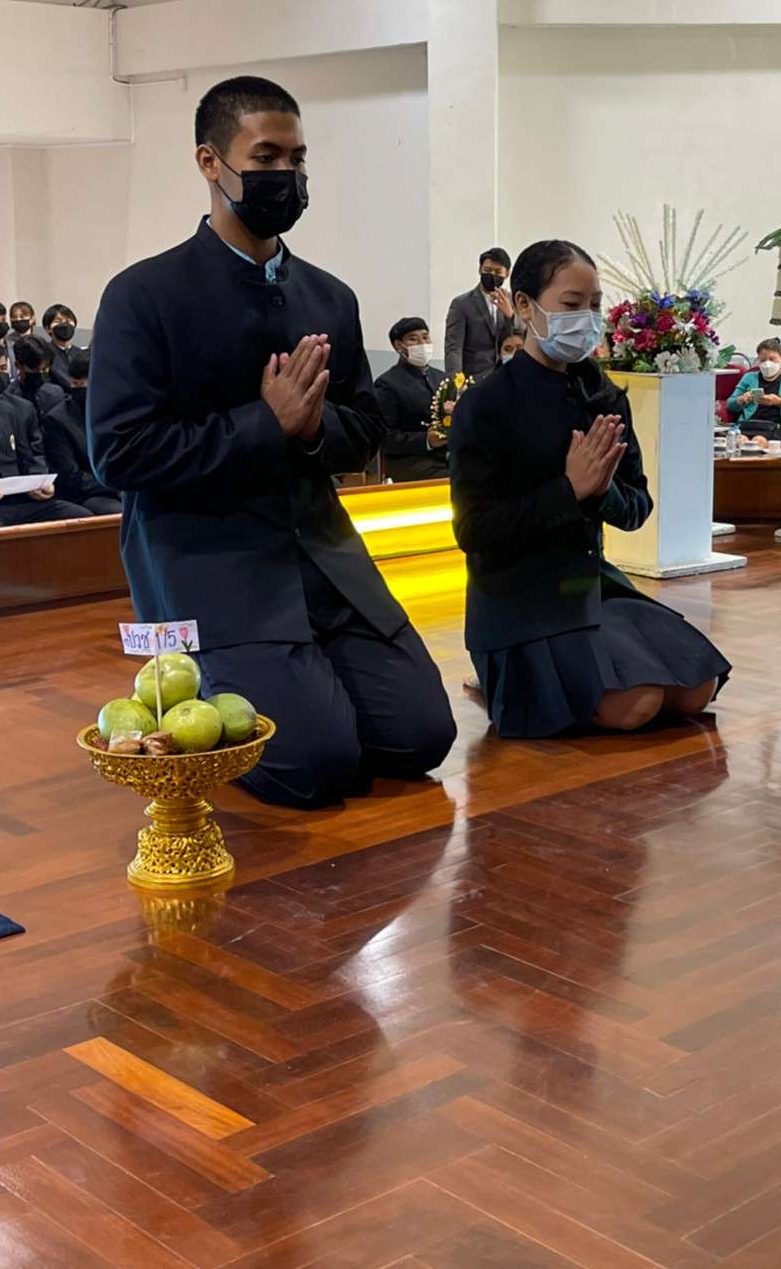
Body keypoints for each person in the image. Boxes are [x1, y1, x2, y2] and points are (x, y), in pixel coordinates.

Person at [89, 74, 455, 808]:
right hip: (209, 561)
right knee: (312, 767)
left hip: (321, 551)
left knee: (423, 737)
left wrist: (315, 426)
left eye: (297, 158)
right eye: (265, 158)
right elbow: (120, 453)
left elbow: (363, 429)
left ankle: (305, 685)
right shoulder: (144, 295)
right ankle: (218, 680)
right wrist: (266, 423)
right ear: (210, 162)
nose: (285, 175)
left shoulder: (330, 297)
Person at [448, 239, 731, 738]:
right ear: (524, 306)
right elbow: (474, 531)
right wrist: (568, 490)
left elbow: (636, 507)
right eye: (571, 304)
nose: (586, 318)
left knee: (695, 689)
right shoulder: (486, 404)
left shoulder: (602, 396)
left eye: (595, 305)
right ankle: (498, 682)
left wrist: (600, 492)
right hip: (517, 597)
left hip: (590, 583)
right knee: (637, 705)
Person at [0, 325, 90, 532]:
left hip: (21, 500)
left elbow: (30, 458)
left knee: (80, 519)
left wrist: (39, 482)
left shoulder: (9, 410)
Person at [42, 349, 121, 515]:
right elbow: (70, 477)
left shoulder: (118, 410)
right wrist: (116, 485)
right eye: (75, 384)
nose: (80, 389)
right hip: (89, 493)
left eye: (85, 384)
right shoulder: (58, 420)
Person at [374, 316, 449, 483]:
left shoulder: (442, 378)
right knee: (452, 481)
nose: (422, 343)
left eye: (425, 337)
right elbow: (385, 438)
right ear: (399, 345)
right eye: (413, 339)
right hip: (410, 461)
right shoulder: (387, 384)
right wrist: (426, 440)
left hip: (446, 456)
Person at [444, 247, 514, 378]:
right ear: (480, 270)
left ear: (507, 274)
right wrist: (455, 383)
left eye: (498, 271)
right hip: (474, 378)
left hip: (506, 375)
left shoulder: (512, 301)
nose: (492, 275)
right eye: (487, 270)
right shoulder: (461, 304)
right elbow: (454, 348)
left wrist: (510, 316)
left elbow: (523, 338)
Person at [728, 337, 781, 446]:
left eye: (772, 359)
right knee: (740, 440)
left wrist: (780, 402)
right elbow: (730, 404)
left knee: (758, 441)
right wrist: (741, 400)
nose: (767, 363)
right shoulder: (749, 377)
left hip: (776, 428)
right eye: (763, 360)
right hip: (749, 425)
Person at [8, 336, 66, 422]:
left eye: (44, 369)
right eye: (34, 370)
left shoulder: (56, 394)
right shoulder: (8, 399)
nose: (40, 373)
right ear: (18, 365)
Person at [42, 304, 78, 390]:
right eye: (58, 321)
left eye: (68, 321)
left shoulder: (81, 354)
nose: (64, 324)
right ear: (48, 328)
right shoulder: (44, 353)